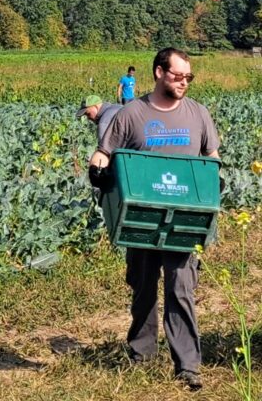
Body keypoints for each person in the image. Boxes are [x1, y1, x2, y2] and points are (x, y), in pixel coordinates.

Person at [91, 48, 220, 391]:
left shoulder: (198, 114)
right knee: (143, 289)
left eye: (189, 77)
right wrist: (97, 171)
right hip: (142, 220)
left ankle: (188, 366)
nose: (184, 83)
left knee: (182, 290)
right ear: (159, 72)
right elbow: (104, 152)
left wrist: (215, 180)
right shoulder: (133, 113)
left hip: (184, 221)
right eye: (179, 76)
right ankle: (141, 356)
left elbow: (211, 156)